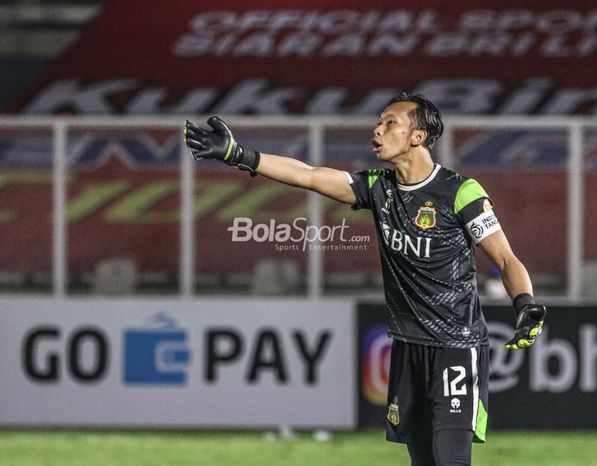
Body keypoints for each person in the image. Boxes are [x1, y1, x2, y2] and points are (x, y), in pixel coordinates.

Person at [184, 92, 546, 466]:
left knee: (450, 460)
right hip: (408, 347)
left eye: (390, 123)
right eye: (379, 122)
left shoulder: (460, 192)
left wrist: (525, 304)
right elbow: (309, 175)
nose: (377, 130)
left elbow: (505, 257)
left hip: (456, 346)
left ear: (417, 137)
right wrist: (238, 155)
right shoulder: (378, 187)